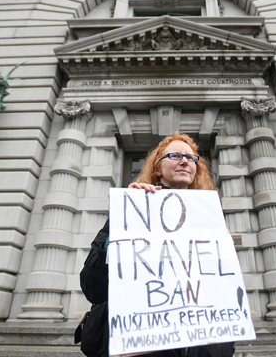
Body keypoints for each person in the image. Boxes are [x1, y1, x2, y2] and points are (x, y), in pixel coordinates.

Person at [80, 132, 234, 357]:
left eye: (191, 158)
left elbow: (223, 290)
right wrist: (128, 226)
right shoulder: (132, 211)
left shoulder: (209, 220)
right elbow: (92, 287)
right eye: (175, 155)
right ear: (156, 168)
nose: (185, 161)